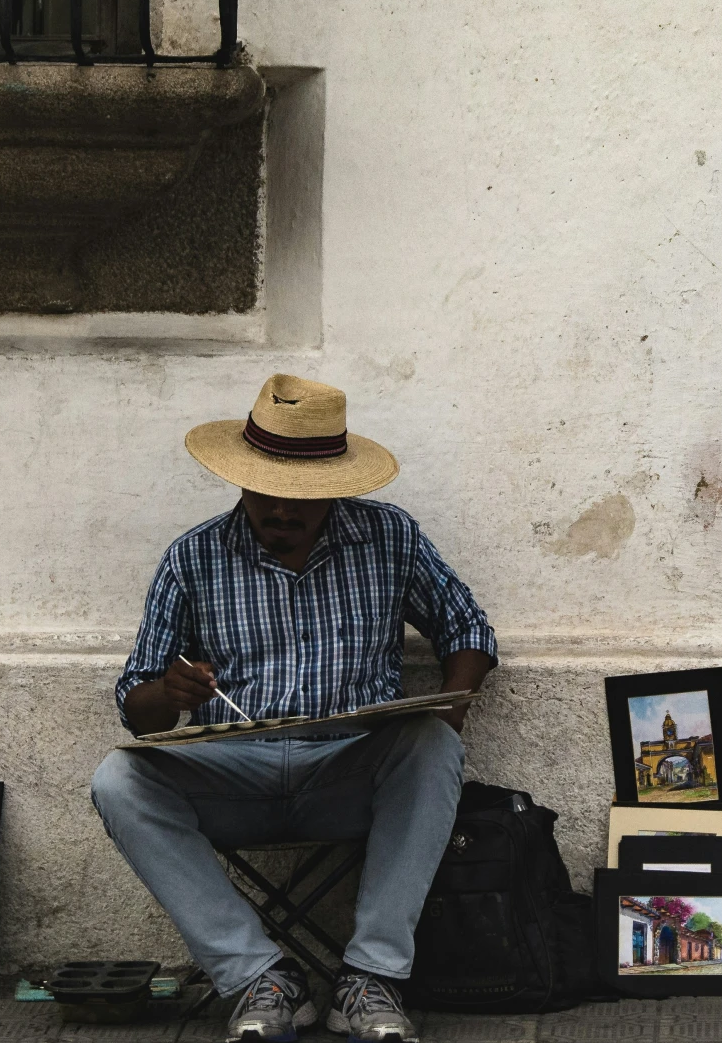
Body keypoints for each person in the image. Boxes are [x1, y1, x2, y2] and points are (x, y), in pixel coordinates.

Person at [91, 374, 498, 1043]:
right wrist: (171, 692)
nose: (281, 510)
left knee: (431, 746)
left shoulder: (389, 539)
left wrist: (444, 717)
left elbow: (470, 633)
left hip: (351, 771)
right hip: (233, 775)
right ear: (240, 479)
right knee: (118, 778)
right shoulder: (192, 559)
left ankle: (370, 978)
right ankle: (260, 976)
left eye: (301, 499)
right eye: (264, 493)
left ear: (335, 487)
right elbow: (138, 710)